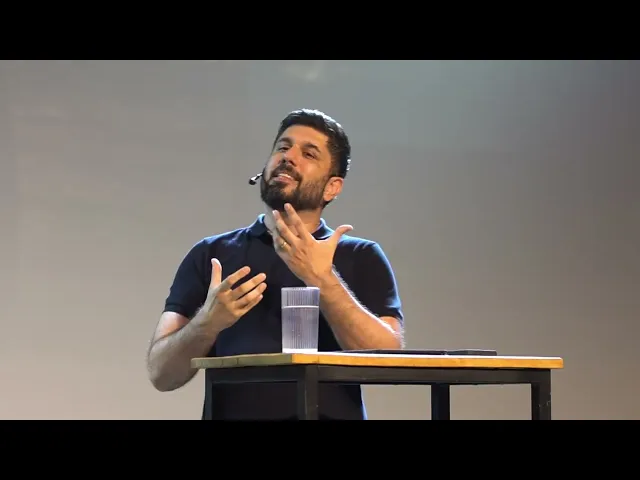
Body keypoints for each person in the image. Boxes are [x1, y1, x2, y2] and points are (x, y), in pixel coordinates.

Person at [146, 108, 405, 420]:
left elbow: (388, 360)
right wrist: (207, 323)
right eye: (283, 147)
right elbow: (161, 373)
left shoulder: (361, 255)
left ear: (332, 187)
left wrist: (323, 280)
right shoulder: (211, 254)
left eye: (308, 153)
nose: (288, 157)